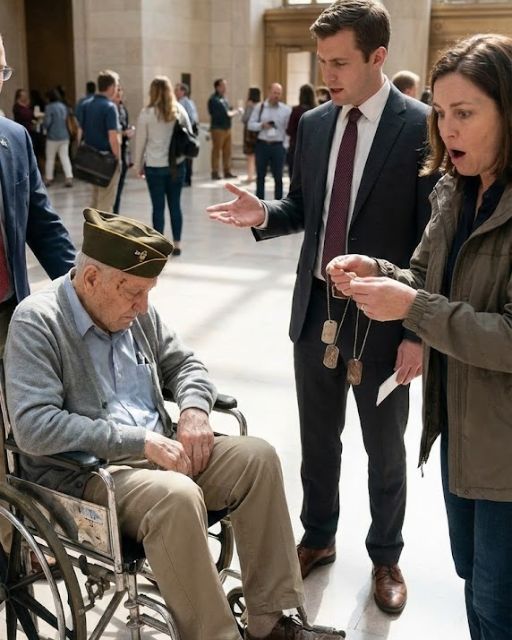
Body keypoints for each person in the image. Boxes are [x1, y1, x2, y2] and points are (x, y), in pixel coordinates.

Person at [4, 208, 345, 640]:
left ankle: (269, 622)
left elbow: (185, 365)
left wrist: (193, 410)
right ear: (91, 279)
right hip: (89, 476)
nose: (143, 306)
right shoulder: (38, 321)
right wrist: (139, 441)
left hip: (161, 450)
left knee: (257, 457)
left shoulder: (134, 312)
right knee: (176, 496)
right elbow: (34, 425)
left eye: (148, 292)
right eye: (134, 293)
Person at [207, 0, 438, 614]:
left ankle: (385, 555)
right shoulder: (313, 125)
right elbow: (305, 208)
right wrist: (265, 213)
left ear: (377, 56)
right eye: (322, 61)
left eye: (339, 62)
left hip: (385, 315)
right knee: (317, 439)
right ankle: (318, 536)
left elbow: (430, 242)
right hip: (316, 312)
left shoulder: (421, 126)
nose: (326, 74)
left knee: (385, 448)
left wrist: (417, 330)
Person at [328, 32, 512, 640]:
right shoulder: (455, 190)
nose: (447, 129)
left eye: (465, 114)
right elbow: (425, 277)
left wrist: (414, 309)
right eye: (440, 112)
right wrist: (379, 271)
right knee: (475, 582)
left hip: (504, 445)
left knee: (498, 601)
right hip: (463, 430)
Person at [0, 33, 76, 550]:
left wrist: (82, 288)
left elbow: (42, 225)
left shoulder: (14, 138)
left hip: (9, 311)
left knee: (25, 424)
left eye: (1, 71)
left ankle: (17, 538)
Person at [134, 76, 191, 256]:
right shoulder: (179, 110)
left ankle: (159, 247)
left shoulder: (146, 113)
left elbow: (140, 142)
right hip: (176, 165)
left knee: (157, 207)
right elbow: (189, 134)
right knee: (175, 205)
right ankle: (177, 243)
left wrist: (137, 165)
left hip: (154, 166)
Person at [78, 70, 121, 211]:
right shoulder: (110, 107)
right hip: (106, 160)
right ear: (111, 87)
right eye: (116, 86)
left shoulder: (85, 104)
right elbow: (113, 137)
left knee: (95, 199)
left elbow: (80, 131)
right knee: (106, 202)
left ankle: (91, 224)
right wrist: (118, 159)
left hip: (90, 158)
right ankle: (101, 226)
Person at [247, 82, 291, 200]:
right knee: (260, 176)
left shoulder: (286, 110)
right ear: (269, 92)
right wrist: (262, 125)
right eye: (274, 93)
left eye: (279, 93)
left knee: (278, 177)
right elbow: (250, 125)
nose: (276, 96)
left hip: (278, 146)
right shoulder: (259, 107)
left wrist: (285, 146)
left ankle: (278, 203)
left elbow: (287, 129)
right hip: (262, 145)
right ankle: (260, 202)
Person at [208, 78, 239, 180]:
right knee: (216, 151)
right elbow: (226, 113)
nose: (225, 88)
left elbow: (228, 110)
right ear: (217, 87)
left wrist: (231, 110)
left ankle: (227, 171)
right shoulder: (214, 100)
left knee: (227, 151)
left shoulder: (224, 99)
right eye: (223, 86)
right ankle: (215, 171)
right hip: (218, 128)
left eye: (225, 86)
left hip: (227, 128)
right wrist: (237, 111)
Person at [43, 88, 73, 188]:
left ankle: (48, 179)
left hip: (53, 137)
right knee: (65, 157)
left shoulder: (49, 107)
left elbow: (47, 122)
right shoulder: (63, 106)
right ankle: (69, 177)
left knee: (50, 158)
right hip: (64, 136)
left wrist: (43, 126)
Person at [287, 83, 317, 179]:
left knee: (294, 177)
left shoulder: (296, 110)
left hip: (296, 148)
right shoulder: (318, 111)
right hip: (313, 149)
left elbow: (289, 130)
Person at [112, 85, 134, 214]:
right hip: (112, 153)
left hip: (123, 151)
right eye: (117, 91)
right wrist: (124, 133)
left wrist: (129, 131)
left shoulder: (123, 109)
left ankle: (115, 213)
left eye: (120, 91)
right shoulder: (109, 109)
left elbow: (124, 126)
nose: (119, 94)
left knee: (119, 188)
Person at [175, 82, 199, 187]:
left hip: (185, 133)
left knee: (187, 158)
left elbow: (192, 118)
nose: (175, 92)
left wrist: (186, 129)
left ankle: (186, 179)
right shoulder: (178, 102)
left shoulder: (186, 103)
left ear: (183, 91)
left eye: (177, 90)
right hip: (180, 134)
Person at [241, 87, 261, 183]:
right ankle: (256, 175)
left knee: (250, 156)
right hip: (258, 132)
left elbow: (245, 119)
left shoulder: (250, 105)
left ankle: (250, 176)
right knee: (257, 155)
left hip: (249, 133)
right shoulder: (261, 105)